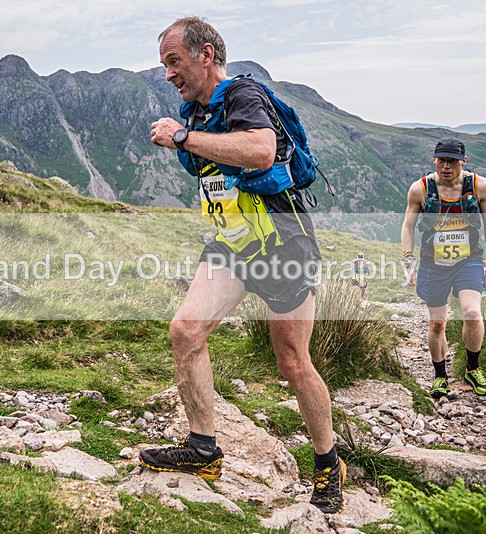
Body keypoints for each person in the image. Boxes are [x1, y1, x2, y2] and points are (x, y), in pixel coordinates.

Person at [141, 17, 344, 514]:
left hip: (283, 245)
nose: (168, 74)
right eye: (165, 64)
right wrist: (187, 135)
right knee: (186, 331)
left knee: (293, 363)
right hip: (232, 244)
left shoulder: (241, 95)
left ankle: (327, 462)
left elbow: (260, 150)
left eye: (174, 61)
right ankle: (203, 449)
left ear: (205, 55)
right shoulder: (199, 110)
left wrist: (183, 137)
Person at [401, 138, 486, 398]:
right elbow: (408, 226)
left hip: (468, 261)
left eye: (453, 161)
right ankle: (440, 376)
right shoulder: (420, 189)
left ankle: (472, 368)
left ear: (463, 162)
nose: (447, 166)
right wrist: (408, 260)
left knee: (472, 313)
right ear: (434, 160)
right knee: (437, 324)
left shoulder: (480, 186)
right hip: (433, 264)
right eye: (442, 160)